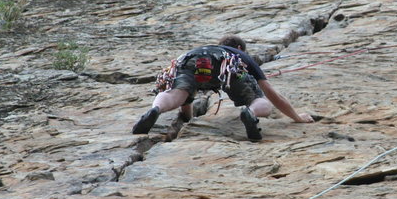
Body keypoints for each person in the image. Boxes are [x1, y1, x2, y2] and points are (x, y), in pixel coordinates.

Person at [132, 35, 314, 140]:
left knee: (175, 93)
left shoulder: (196, 51)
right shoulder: (238, 54)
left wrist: (187, 118)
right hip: (227, 64)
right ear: (239, 47)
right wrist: (298, 118)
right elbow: (272, 94)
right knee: (259, 100)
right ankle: (250, 113)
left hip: (187, 61)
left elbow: (185, 99)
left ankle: (155, 109)